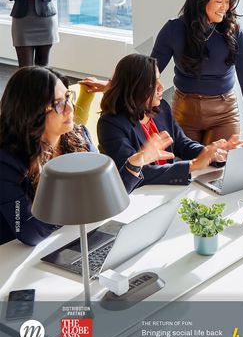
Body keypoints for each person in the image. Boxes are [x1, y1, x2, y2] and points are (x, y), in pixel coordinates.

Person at [0, 67, 173, 246]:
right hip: (14, 256)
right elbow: (28, 232)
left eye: (67, 97)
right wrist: (79, 200)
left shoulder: (79, 136)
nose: (69, 108)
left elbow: (103, 194)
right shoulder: (7, 162)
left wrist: (135, 164)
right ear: (31, 111)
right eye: (57, 104)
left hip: (70, 238)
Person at [151, 0, 243, 145]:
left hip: (224, 113)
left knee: (221, 164)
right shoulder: (174, 30)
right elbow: (150, 70)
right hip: (185, 110)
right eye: (219, 1)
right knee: (187, 165)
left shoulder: (235, 32)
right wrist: (115, 85)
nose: (225, 7)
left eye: (227, 1)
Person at [97, 54, 238, 186]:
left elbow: (182, 144)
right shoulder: (110, 124)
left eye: (159, 80)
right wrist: (191, 165)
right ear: (135, 87)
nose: (161, 87)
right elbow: (133, 173)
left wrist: (210, 153)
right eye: (154, 83)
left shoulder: (161, 108)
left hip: (166, 189)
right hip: (138, 196)